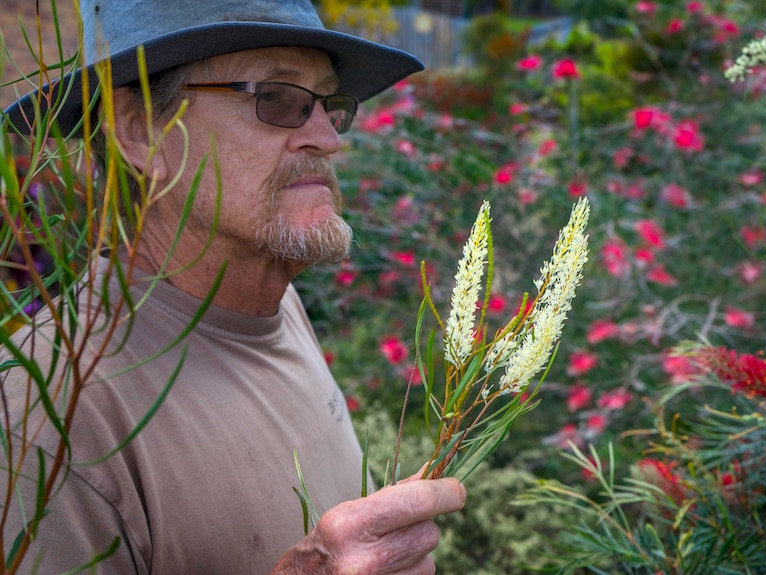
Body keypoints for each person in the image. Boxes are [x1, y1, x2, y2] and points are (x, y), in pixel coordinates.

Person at [0, 0, 466, 573]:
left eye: (328, 104)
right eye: (276, 97)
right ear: (139, 130)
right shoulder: (51, 419)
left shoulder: (270, 298)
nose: (328, 138)